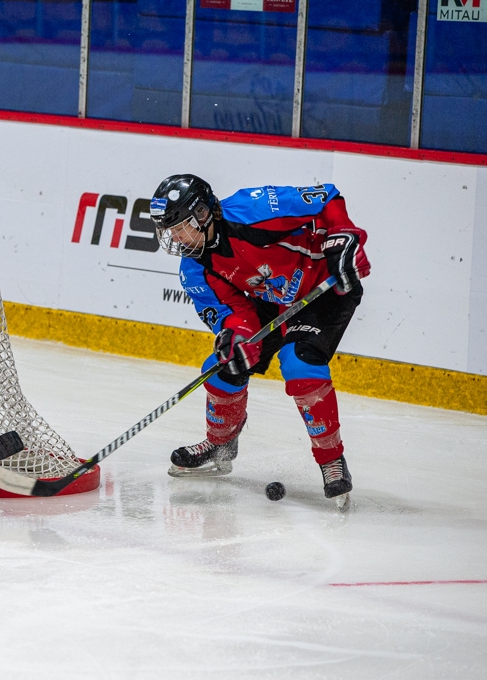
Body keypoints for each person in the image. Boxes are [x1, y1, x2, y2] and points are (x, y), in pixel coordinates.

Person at [149, 175, 370, 501]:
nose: (176, 237)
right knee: (223, 367)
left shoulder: (252, 209)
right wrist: (236, 337)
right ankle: (221, 445)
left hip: (325, 287)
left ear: (203, 214)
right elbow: (233, 311)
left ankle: (331, 459)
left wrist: (342, 240)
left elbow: (326, 197)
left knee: (299, 363)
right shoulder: (194, 268)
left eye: (181, 227)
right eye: (170, 231)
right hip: (271, 305)